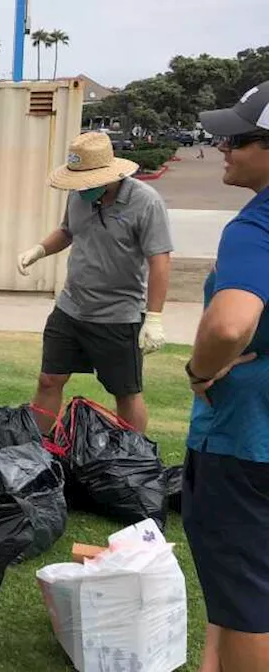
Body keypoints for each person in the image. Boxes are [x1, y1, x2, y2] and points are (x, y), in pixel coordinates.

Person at [182, 82, 269, 672]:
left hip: (245, 442)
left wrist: (200, 370)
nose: (222, 147)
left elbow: (230, 322)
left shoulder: (254, 227)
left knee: (246, 600)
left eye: (237, 138)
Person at [16, 131, 173, 433]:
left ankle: (133, 461)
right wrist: (38, 250)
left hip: (118, 315)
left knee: (125, 392)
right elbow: (67, 231)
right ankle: (36, 449)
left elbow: (160, 261)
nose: (81, 189)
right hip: (71, 307)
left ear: (108, 174)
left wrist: (154, 317)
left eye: (87, 182)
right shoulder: (79, 194)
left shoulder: (145, 203)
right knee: (49, 379)